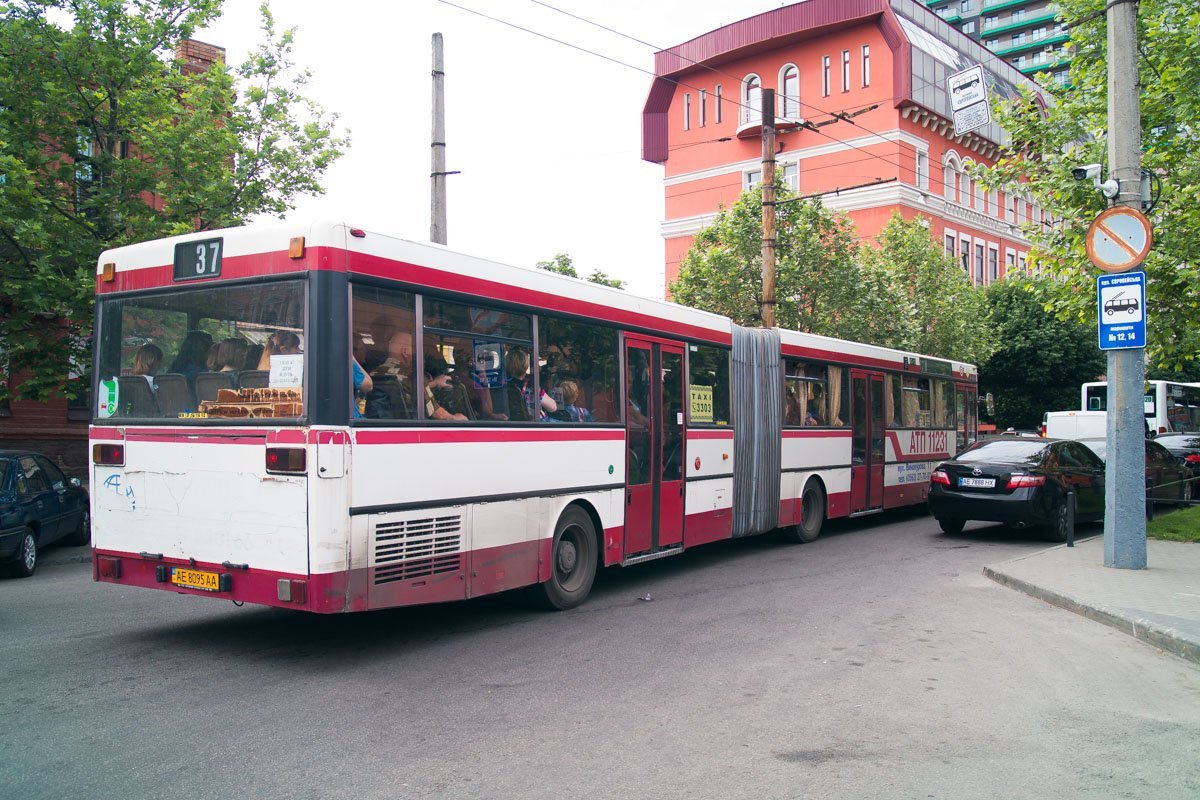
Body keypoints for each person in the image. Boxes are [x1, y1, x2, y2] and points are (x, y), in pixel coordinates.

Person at [505, 348, 556, 421]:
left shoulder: (503, 384)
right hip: (536, 424)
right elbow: (552, 407)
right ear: (525, 366)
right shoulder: (531, 386)